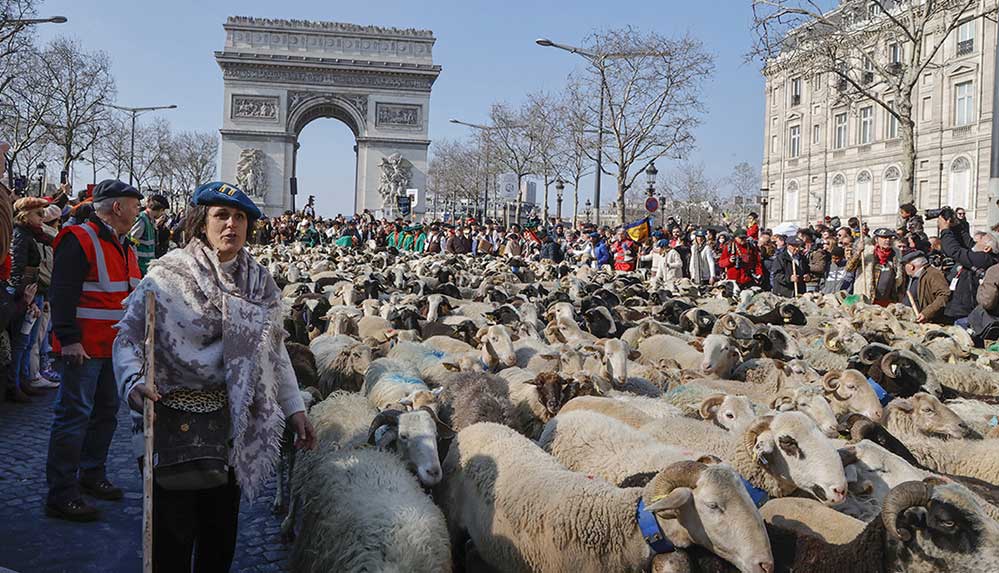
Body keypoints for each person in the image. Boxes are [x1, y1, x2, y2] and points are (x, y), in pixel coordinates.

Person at [113, 181, 315, 570]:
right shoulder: (165, 277)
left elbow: (272, 350)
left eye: (240, 217)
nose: (231, 225)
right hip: (171, 421)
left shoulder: (259, 283)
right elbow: (128, 337)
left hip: (231, 425)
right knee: (171, 540)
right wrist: (132, 381)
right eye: (221, 215)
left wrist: (295, 409)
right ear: (200, 222)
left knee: (219, 541)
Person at [44, 180, 143, 521]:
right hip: (82, 347)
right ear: (117, 207)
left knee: (104, 415)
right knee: (73, 417)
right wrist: (68, 338)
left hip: (113, 348)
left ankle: (91, 473)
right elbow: (62, 291)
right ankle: (61, 492)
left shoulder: (124, 245)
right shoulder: (79, 239)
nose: (138, 211)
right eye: (134, 205)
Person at [7, 197, 48, 401]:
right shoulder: (22, 235)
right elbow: (17, 269)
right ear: (26, 215)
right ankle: (14, 384)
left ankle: (22, 380)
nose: (43, 218)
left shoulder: (31, 234)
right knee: (21, 341)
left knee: (29, 341)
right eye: (39, 214)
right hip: (26, 294)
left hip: (32, 291)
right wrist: (27, 299)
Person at [938, 212, 999, 327]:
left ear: (987, 248)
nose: (973, 243)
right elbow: (967, 244)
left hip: (967, 312)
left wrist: (944, 229)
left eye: (978, 242)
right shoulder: (985, 257)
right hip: (963, 309)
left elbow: (954, 251)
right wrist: (956, 226)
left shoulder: (984, 259)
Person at [848, 227, 901, 306]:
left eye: (890, 238)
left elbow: (899, 279)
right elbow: (849, 268)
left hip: (887, 301)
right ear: (876, 239)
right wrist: (858, 252)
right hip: (867, 299)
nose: (888, 240)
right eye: (884, 238)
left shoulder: (896, 255)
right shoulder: (867, 253)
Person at [900, 250, 950, 324]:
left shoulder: (933, 274)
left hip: (929, 322)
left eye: (905, 265)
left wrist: (926, 313)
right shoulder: (914, 277)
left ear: (911, 266)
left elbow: (944, 295)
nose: (904, 268)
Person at [129, 194, 169, 275]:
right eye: (163, 211)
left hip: (146, 266)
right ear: (160, 209)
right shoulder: (142, 220)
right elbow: (131, 241)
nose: (162, 214)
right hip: (140, 266)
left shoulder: (150, 221)